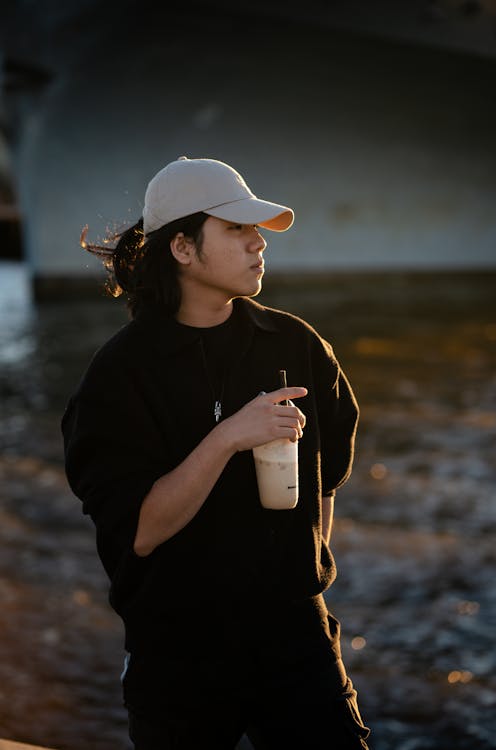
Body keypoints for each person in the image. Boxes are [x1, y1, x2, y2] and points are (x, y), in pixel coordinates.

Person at [61, 155, 371, 749]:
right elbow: (142, 533)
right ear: (182, 248)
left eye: (257, 231)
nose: (258, 244)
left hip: (296, 639)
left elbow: (326, 477)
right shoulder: (120, 375)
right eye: (237, 230)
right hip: (180, 652)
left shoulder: (295, 343)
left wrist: (300, 575)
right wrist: (230, 435)